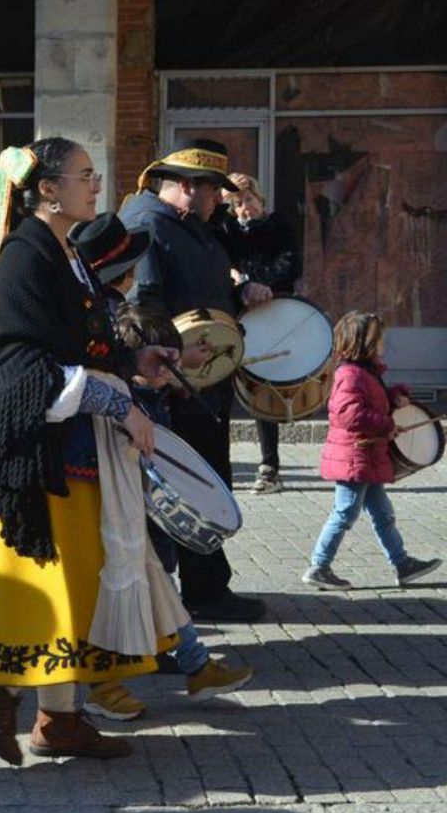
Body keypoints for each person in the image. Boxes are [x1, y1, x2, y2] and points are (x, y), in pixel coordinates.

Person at [0, 138, 188, 767]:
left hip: (73, 449)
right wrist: (120, 406)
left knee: (77, 585)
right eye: (84, 176)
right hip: (37, 456)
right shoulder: (26, 258)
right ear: (47, 189)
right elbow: (28, 365)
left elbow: (81, 346)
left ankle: (59, 719)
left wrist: (134, 364)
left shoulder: (66, 251)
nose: (96, 185)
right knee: (41, 589)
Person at [120, 139, 271, 624]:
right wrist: (175, 357)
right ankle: (196, 595)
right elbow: (142, 307)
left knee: (207, 482)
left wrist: (240, 289)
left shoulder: (188, 228)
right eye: (213, 192)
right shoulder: (148, 227)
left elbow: (205, 286)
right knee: (188, 489)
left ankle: (207, 587)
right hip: (177, 385)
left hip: (202, 384)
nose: (219, 201)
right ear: (187, 187)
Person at [81, 303, 254, 720]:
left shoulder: (149, 390)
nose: (169, 367)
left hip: (139, 516)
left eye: (173, 359)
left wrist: (180, 361)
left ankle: (196, 667)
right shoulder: (118, 393)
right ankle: (103, 686)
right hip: (116, 516)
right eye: (162, 358)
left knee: (160, 593)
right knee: (113, 598)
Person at [302, 310, 441, 590]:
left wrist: (394, 397)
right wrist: (387, 424)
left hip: (366, 457)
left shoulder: (367, 373)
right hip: (355, 456)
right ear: (362, 343)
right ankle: (319, 565)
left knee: (382, 514)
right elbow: (349, 415)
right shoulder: (350, 375)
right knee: (345, 512)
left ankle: (402, 564)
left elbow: (372, 402)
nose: (383, 344)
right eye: (379, 339)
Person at [215, 171, 301, 495]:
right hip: (238, 313)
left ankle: (270, 466)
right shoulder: (228, 229)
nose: (244, 209)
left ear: (261, 200)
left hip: (271, 312)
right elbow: (222, 259)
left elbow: (291, 264)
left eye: (249, 200)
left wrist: (259, 280)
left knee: (263, 386)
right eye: (237, 204)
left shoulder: (277, 226)